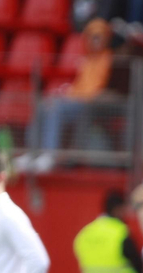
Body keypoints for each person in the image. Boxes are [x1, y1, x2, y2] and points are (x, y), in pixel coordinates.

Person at [23, 19, 114, 173]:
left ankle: (50, 155)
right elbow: (79, 86)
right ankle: (33, 153)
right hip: (76, 99)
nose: (95, 41)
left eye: (99, 37)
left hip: (90, 104)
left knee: (55, 108)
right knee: (44, 105)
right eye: (92, 36)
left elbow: (101, 90)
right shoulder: (87, 60)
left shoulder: (110, 59)